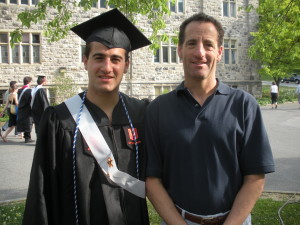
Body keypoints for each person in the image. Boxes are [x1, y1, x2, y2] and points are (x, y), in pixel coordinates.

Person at [22, 8, 151, 225]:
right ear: (85, 61)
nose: (107, 67)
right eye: (98, 57)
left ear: (126, 65)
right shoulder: (60, 120)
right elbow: (41, 192)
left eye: (116, 59)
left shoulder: (142, 114)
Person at [145, 12, 275, 225]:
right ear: (179, 50)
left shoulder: (244, 105)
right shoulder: (158, 109)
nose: (200, 52)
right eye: (191, 43)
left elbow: (255, 177)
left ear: (220, 52)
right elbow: (151, 180)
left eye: (208, 44)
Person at [16, 76, 34, 143]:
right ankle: (28, 138)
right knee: (28, 123)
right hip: (27, 109)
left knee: (24, 123)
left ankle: (26, 137)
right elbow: (30, 101)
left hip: (21, 108)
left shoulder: (20, 90)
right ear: (29, 82)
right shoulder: (29, 90)